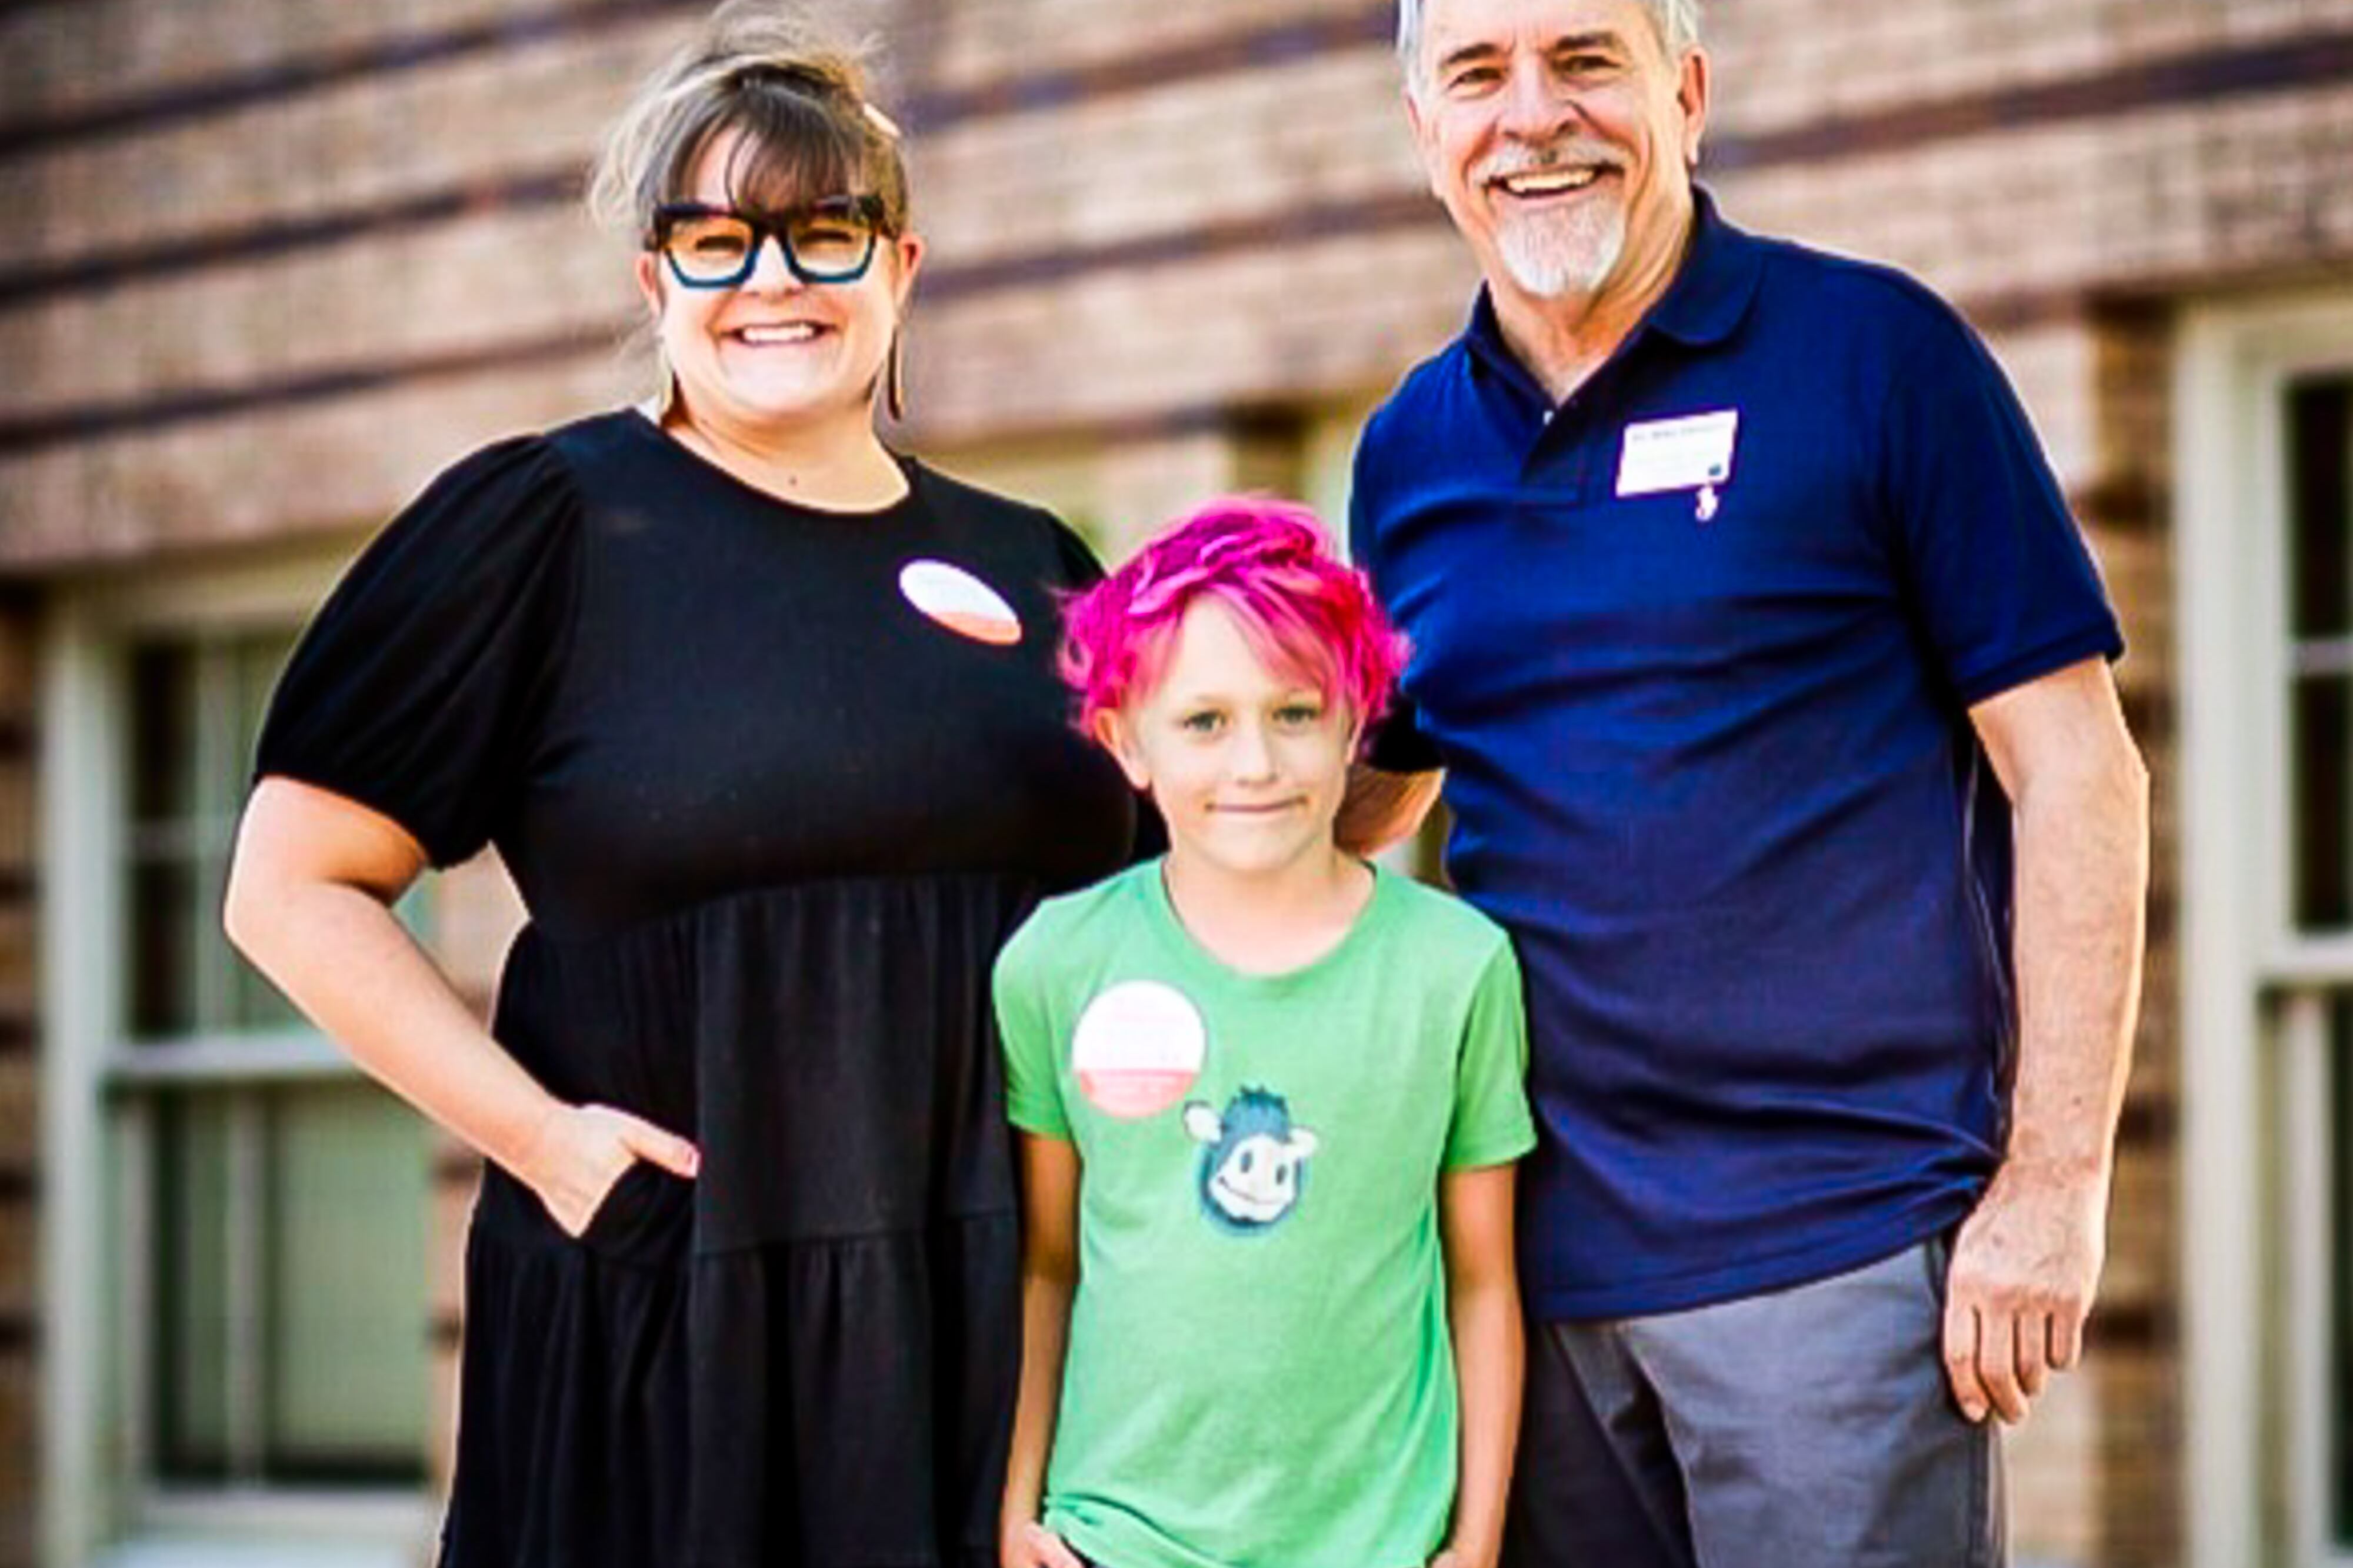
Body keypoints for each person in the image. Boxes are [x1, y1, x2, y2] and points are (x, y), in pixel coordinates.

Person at [220, 7, 1138, 1566]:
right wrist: (546, 1143)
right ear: (658, 284)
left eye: (824, 232)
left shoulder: (1036, 562)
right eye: (718, 241)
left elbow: (1169, 902)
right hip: (674, 1308)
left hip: (1002, 1320)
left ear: (900, 269)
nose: (773, 278)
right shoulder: (546, 527)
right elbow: (288, 885)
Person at [1347, 0, 2152, 1563]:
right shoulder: (1408, 453)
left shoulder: (1875, 357)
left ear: (1688, 95)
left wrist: (2054, 1186)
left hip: (1834, 1260)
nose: (1532, 118)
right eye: (1477, 76)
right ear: (1424, 135)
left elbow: (2079, 772)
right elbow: (1354, 805)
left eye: (1587, 61)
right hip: (1532, 1280)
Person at [992, 500, 1537, 1568]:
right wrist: (1021, 1513)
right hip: (1117, 1540)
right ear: (1126, 742)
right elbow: (1050, 1264)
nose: (1255, 764)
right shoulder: (1054, 963)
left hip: (1378, 1544)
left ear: (1354, 722)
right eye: (1203, 721)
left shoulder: (1456, 967)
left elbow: (1481, 1277)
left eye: (1295, 713)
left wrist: (1475, 1542)